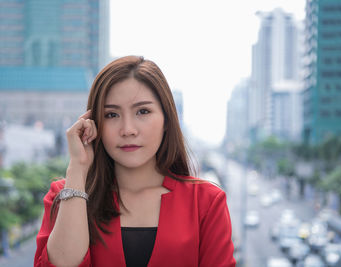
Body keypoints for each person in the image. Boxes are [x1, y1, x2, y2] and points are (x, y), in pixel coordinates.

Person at [34, 56, 236, 267]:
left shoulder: (205, 202)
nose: (128, 130)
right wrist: (78, 166)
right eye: (111, 115)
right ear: (94, 123)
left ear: (166, 120)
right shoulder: (65, 197)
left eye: (143, 111)